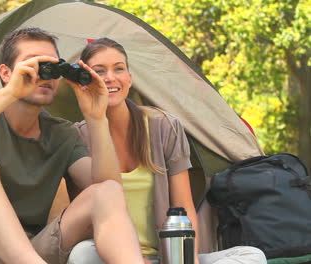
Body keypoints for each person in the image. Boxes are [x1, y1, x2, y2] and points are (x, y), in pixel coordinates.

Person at [0, 28, 147, 264]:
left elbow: (108, 191)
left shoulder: (60, 133)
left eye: (52, 67)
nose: (44, 75)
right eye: (34, 65)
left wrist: (97, 118)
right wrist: (10, 92)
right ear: (6, 73)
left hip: (30, 249)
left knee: (106, 191)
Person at [68, 38, 267, 264]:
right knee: (82, 254)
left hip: (169, 257)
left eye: (119, 69)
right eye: (99, 71)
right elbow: (80, 217)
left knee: (252, 256)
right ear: (84, 80)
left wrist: (188, 260)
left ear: (130, 79)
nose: (110, 78)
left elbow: (183, 205)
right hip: (112, 258)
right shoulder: (77, 137)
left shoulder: (163, 126)